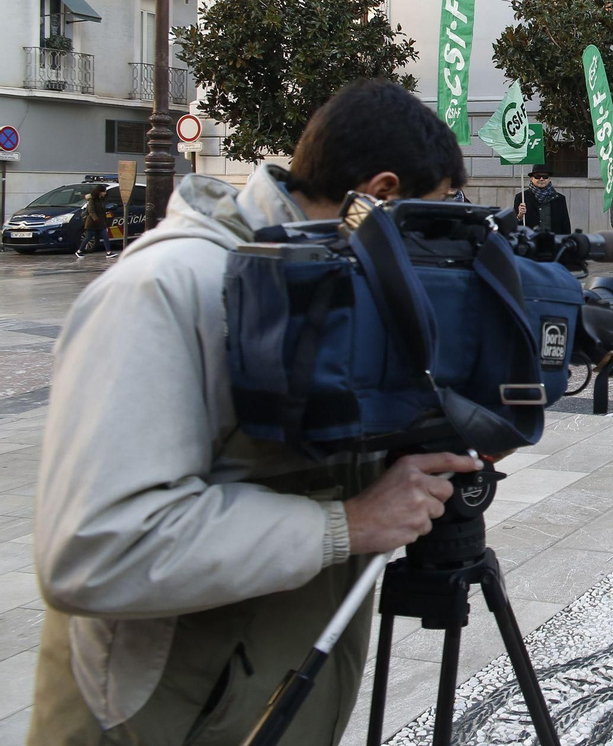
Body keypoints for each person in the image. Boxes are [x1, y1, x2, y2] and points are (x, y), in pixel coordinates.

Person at [32, 80, 481, 744]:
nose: (432, 251)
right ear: (381, 193)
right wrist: (346, 525)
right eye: (433, 219)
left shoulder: (341, 284)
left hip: (267, 698)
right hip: (149, 719)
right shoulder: (165, 287)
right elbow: (94, 548)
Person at [516, 165, 572, 233]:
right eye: (537, 176)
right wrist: (520, 216)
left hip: (553, 240)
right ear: (532, 178)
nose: (541, 179)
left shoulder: (559, 198)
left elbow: (565, 224)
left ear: (549, 178)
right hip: (530, 240)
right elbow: (513, 226)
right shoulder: (522, 197)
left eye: (545, 176)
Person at [74, 183, 112, 259]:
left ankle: (109, 252)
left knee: (105, 236)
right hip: (92, 222)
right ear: (99, 192)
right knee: (89, 236)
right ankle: (79, 251)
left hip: (100, 222)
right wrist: (95, 219)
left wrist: (105, 221)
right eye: (103, 191)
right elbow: (91, 211)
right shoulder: (92, 200)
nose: (105, 193)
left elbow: (102, 212)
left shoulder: (101, 200)